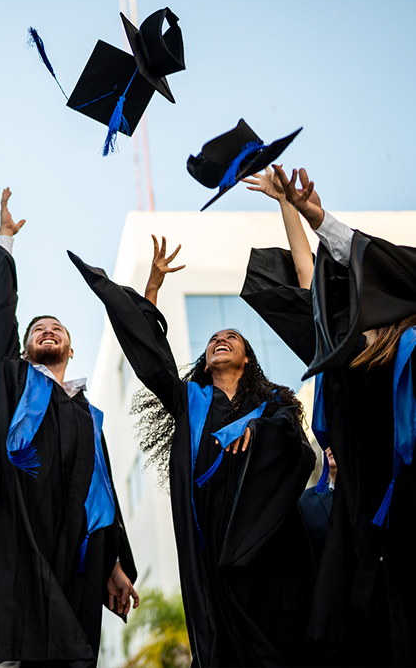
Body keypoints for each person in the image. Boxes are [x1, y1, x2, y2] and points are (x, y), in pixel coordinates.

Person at [68, 231, 315, 666]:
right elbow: (151, 356)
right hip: (212, 545)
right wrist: (151, 288)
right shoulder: (190, 402)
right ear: (203, 360)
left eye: (232, 337)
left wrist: (256, 431)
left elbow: (294, 442)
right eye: (214, 338)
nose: (221, 339)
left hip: (270, 539)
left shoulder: (272, 402)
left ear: (248, 359)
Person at [0, 188, 137, 668]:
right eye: (37, 330)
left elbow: (100, 494)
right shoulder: (12, 379)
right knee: (10, 646)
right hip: (14, 540)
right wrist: (5, 240)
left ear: (70, 349)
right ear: (25, 348)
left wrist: (111, 561)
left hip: (71, 555)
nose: (47, 331)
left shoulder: (87, 415)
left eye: (58, 329)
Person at [241, 164, 416, 665]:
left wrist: (319, 217)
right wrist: (290, 208)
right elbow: (308, 278)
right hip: (363, 513)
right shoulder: (346, 358)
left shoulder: (411, 347)